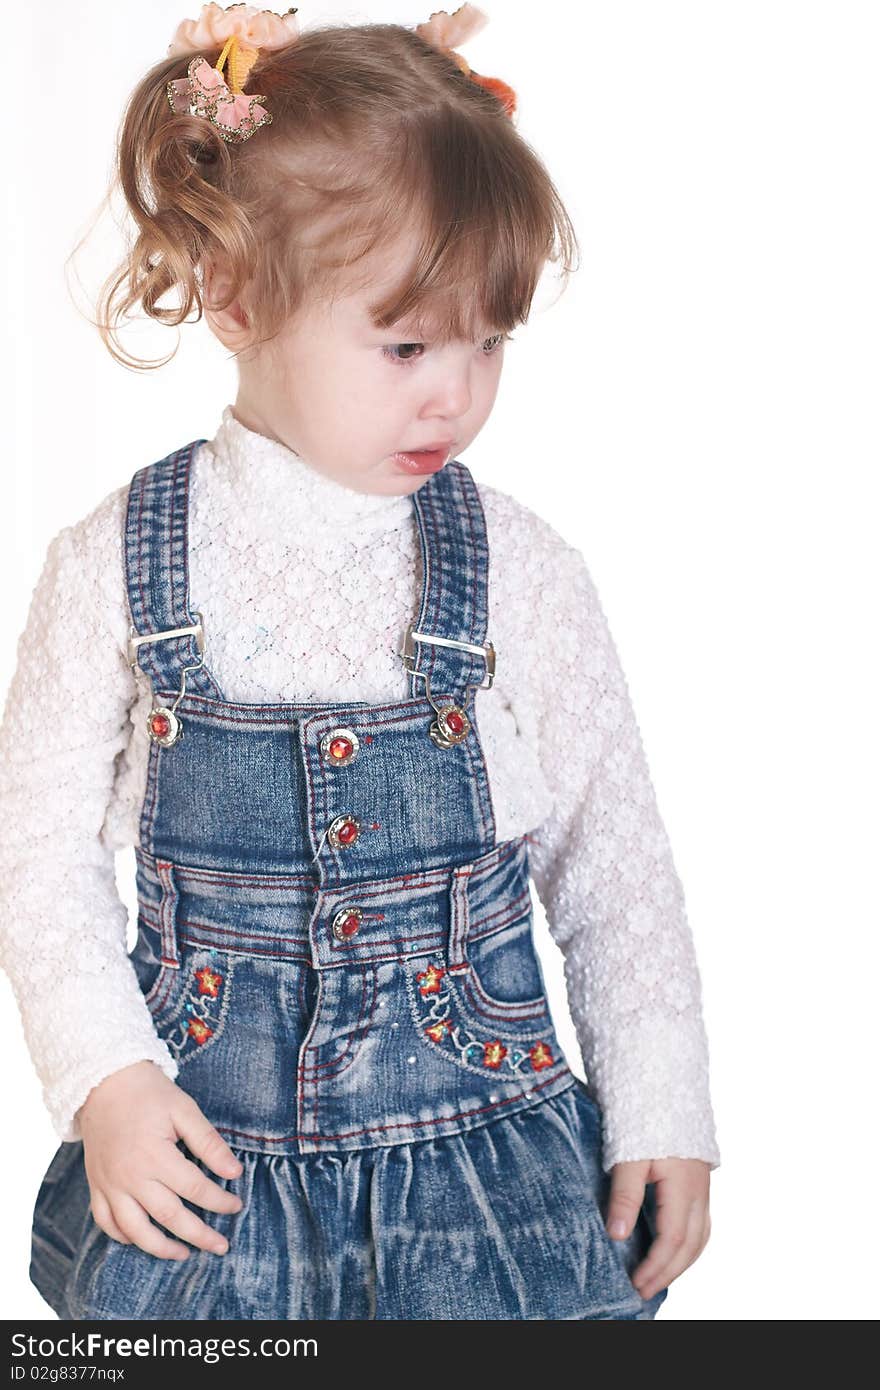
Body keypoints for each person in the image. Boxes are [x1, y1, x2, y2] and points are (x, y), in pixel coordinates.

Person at [0, 3, 720, 1321]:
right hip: (215, 1173)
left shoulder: (524, 569)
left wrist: (663, 1095)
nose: (455, 391)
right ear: (236, 295)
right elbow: (31, 846)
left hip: (484, 1172)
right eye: (404, 345)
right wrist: (106, 1074)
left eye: (488, 339)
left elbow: (612, 862)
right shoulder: (111, 563)